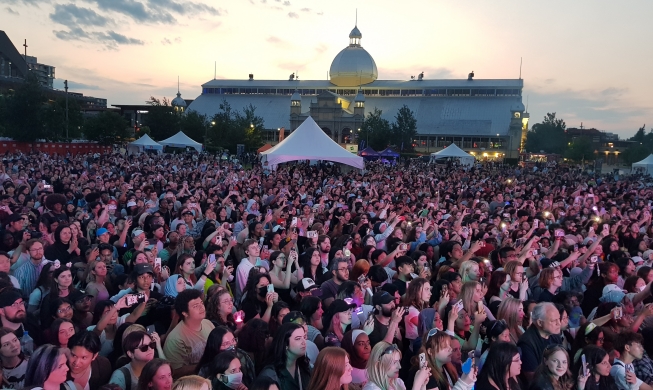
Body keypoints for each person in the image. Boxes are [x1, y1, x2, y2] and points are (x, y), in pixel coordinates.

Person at [163, 289, 215, 377]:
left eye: (201, 303)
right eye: (195, 306)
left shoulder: (207, 323)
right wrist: (206, 364)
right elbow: (175, 371)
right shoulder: (175, 339)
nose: (201, 307)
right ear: (185, 313)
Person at [409, 329, 476, 390]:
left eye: (449, 345)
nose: (450, 349)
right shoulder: (427, 375)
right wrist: (464, 382)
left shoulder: (446, 368)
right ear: (430, 351)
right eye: (444, 347)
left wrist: (469, 381)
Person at [517, 302, 563, 381]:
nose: (559, 323)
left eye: (559, 319)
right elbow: (532, 377)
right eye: (553, 320)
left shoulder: (554, 335)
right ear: (540, 322)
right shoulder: (526, 343)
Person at [258, 322, 311, 390]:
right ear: (285, 344)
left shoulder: (305, 367)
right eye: (298, 338)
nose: (304, 342)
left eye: (304, 337)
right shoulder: (270, 375)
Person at [363, 341, 431, 390]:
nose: (399, 366)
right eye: (394, 362)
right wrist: (417, 384)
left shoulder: (398, 382)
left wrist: (422, 385)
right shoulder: (371, 388)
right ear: (378, 365)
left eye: (399, 361)